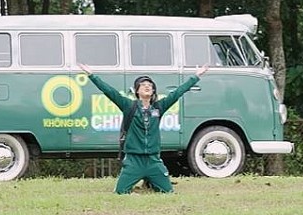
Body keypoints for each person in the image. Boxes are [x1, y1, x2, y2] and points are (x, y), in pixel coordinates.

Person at [78, 62, 208, 194]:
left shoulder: (158, 107)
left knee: (168, 192)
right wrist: (92, 75)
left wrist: (196, 76)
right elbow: (109, 91)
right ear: (137, 91)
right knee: (121, 192)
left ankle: (150, 181)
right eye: (143, 85)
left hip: (153, 160)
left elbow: (177, 93)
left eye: (150, 86)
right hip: (134, 160)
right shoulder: (129, 106)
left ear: (153, 92)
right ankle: (143, 180)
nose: (147, 87)